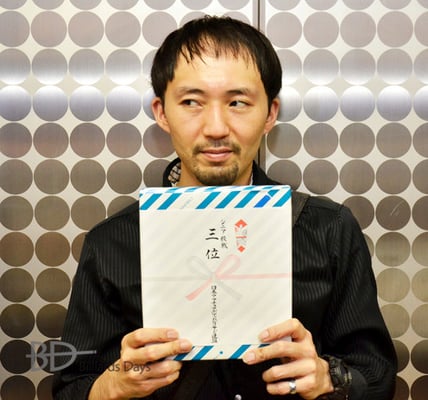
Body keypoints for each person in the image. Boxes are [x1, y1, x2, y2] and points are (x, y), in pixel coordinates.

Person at [53, 16, 397, 400]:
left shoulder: (328, 229)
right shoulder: (111, 242)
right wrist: (113, 384)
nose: (216, 128)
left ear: (270, 113)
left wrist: (328, 377)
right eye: (191, 102)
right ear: (161, 112)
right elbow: (70, 386)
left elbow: (378, 375)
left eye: (237, 102)